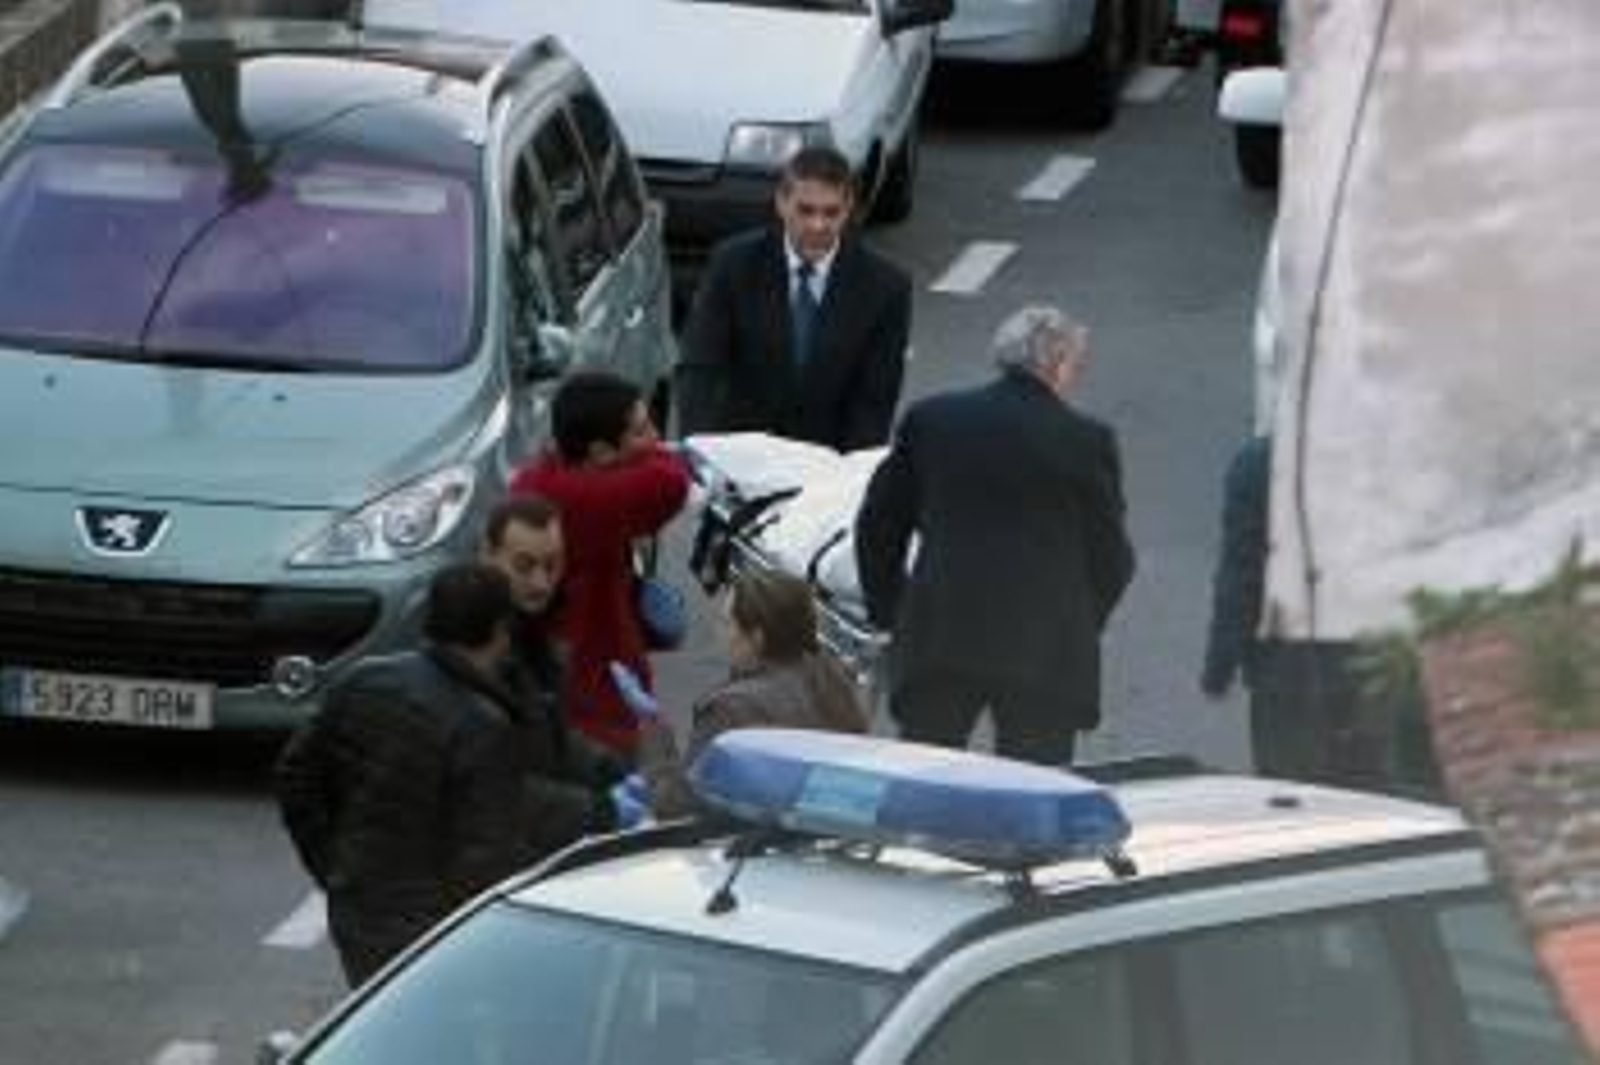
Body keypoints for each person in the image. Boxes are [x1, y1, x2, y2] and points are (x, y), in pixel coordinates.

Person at [275, 563, 597, 986]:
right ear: (501, 631)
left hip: (358, 914)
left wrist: (333, 868)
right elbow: (484, 858)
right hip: (432, 936)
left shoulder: (363, 679)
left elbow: (295, 775)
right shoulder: (482, 726)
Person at [854, 305, 1135, 766]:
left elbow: (879, 525)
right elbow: (1111, 556)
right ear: (1058, 364)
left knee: (927, 783)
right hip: (1043, 648)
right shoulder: (1086, 439)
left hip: (942, 634)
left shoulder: (934, 420)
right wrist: (1081, 620)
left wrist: (893, 612)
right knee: (1029, 794)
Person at [678, 145, 912, 452]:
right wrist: (701, 452)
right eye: (806, 210)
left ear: (849, 207)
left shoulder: (886, 287)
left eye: (831, 213)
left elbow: (875, 398)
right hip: (741, 455)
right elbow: (701, 368)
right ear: (781, 203)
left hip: (827, 464)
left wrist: (848, 477)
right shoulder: (733, 264)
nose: (818, 225)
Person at [511, 372, 690, 756]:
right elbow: (670, 481)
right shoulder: (584, 498)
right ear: (600, 452)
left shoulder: (546, 477)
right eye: (641, 431)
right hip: (594, 695)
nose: (656, 438)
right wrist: (658, 455)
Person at [610, 570, 870, 820]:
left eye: (727, 623)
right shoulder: (833, 677)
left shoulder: (730, 710)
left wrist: (653, 727)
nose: (718, 632)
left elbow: (676, 805)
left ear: (756, 638)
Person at [479, 493, 632, 851]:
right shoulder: (475, 646)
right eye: (524, 565)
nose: (541, 584)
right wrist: (598, 809)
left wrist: (611, 769)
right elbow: (492, 786)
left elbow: (551, 737)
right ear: (486, 554)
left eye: (552, 565)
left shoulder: (533, 634)